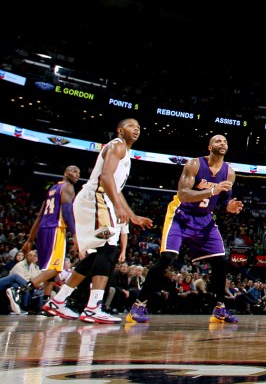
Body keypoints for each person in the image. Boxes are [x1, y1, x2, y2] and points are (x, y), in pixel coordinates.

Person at [43, 118, 153, 324]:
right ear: (120, 130)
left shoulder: (125, 153)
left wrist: (132, 215)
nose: (136, 129)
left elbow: (116, 189)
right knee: (109, 250)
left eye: (139, 126)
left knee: (98, 253)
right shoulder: (117, 145)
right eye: (131, 126)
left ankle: (58, 301)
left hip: (100, 199)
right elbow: (105, 177)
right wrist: (119, 207)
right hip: (96, 198)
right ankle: (93, 307)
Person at [126, 134, 244, 325]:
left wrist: (229, 206)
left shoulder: (229, 172)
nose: (223, 143)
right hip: (181, 215)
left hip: (205, 219)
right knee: (167, 257)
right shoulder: (194, 165)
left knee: (220, 262)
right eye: (218, 141)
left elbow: (223, 200)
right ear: (209, 146)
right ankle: (138, 305)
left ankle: (219, 308)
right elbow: (183, 194)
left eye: (225, 141)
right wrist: (212, 190)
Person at [22, 165, 81, 305]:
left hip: (43, 229)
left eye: (79, 172)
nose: (77, 174)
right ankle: (22, 289)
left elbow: (39, 215)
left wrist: (30, 240)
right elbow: (66, 213)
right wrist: (74, 234)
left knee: (49, 270)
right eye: (74, 171)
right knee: (56, 268)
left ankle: (46, 301)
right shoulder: (68, 187)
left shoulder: (52, 189)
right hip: (55, 229)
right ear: (65, 173)